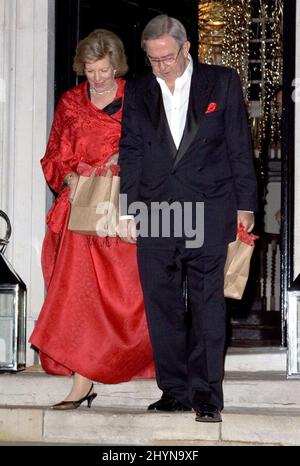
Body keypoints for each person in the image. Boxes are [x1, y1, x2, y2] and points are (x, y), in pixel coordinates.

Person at [118, 15, 258, 422]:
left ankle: (207, 396)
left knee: (207, 305)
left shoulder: (222, 81)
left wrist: (246, 205)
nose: (161, 67)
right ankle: (175, 391)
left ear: (186, 48)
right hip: (156, 209)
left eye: (168, 58)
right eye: (153, 59)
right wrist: (128, 208)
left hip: (210, 205)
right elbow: (130, 150)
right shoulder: (140, 90)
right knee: (162, 305)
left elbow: (238, 143)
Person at [29, 29, 155, 410]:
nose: (97, 77)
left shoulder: (137, 98)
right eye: (90, 69)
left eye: (104, 69)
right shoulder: (69, 102)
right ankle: (81, 381)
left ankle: (140, 360)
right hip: (81, 209)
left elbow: (154, 148)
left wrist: (124, 164)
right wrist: (72, 175)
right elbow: (53, 154)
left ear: (117, 66)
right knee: (77, 297)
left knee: (129, 296)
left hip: (123, 209)